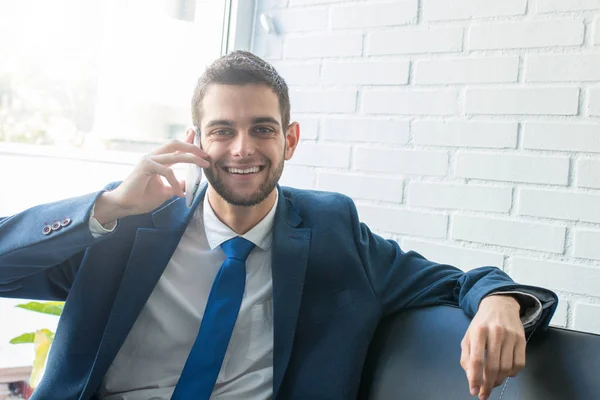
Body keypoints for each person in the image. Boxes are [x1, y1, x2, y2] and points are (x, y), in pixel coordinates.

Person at [0, 51, 557, 400]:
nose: (243, 150)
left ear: (289, 140)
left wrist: (498, 302)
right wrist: (108, 207)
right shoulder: (127, 227)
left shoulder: (333, 228)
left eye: (262, 129)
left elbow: (454, 281)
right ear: (195, 143)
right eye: (221, 131)